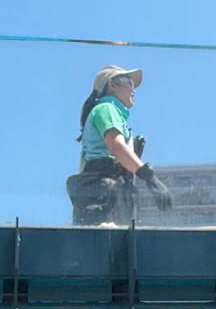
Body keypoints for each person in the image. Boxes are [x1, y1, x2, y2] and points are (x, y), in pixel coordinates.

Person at [67, 65, 173, 225]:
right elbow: (116, 146)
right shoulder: (106, 109)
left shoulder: (111, 113)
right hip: (103, 192)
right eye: (129, 82)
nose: (134, 89)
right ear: (112, 84)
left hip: (109, 192)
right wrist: (149, 176)